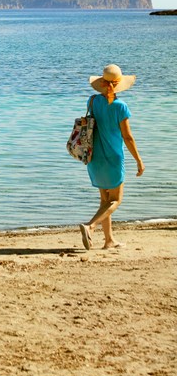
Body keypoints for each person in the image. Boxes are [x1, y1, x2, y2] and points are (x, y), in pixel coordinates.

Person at [78, 64, 145, 250]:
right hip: (113, 158)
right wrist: (139, 160)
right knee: (116, 200)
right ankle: (90, 226)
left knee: (105, 201)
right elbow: (128, 137)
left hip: (94, 157)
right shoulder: (120, 106)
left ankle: (109, 240)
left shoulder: (92, 101)